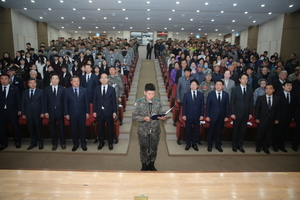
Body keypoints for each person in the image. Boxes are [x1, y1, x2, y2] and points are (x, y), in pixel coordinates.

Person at [132, 83, 166, 171]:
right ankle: (144, 164)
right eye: (149, 94)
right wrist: (143, 118)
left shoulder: (158, 102)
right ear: (144, 92)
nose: (151, 96)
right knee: (143, 147)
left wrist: (163, 117)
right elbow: (134, 116)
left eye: (153, 94)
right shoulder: (139, 102)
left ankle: (151, 163)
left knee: (153, 148)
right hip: (143, 130)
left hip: (155, 130)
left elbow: (163, 113)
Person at [64, 76, 89, 152]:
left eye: (78, 81)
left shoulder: (84, 90)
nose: (76, 82)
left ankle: (83, 144)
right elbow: (65, 103)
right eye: (74, 81)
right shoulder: (67, 91)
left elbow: (86, 103)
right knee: (74, 130)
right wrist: (66, 113)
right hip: (72, 114)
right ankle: (75, 144)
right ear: (71, 82)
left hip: (82, 113)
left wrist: (87, 112)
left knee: (82, 130)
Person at [93, 73, 117, 150]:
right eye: (102, 78)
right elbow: (95, 101)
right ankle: (101, 142)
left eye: (105, 78)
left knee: (110, 128)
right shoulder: (96, 89)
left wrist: (114, 111)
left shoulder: (111, 89)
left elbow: (114, 101)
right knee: (100, 128)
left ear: (108, 79)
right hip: (99, 112)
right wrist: (94, 111)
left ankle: (110, 143)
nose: (103, 79)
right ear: (99, 80)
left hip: (109, 111)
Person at [230, 74, 253, 153]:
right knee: (236, 130)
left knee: (243, 130)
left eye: (246, 79)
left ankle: (240, 145)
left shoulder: (250, 89)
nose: (245, 80)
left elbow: (251, 102)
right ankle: (234, 145)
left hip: (246, 113)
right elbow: (232, 102)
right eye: (243, 78)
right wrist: (232, 113)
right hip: (237, 113)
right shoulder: (235, 89)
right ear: (240, 79)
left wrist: (250, 113)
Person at [254, 84, 280, 154]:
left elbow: (278, 110)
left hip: (272, 119)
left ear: (273, 90)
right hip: (262, 119)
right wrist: (256, 118)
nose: (268, 90)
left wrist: (277, 119)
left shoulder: (277, 98)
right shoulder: (260, 98)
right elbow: (257, 109)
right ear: (265, 90)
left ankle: (266, 147)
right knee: (260, 134)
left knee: (269, 134)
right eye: (267, 88)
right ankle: (258, 146)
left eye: (270, 88)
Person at [206, 80, 229, 153]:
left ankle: (218, 145)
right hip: (212, 116)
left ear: (223, 86)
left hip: (221, 116)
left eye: (220, 85)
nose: (218, 86)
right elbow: (208, 106)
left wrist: (226, 116)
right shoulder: (211, 94)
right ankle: (209, 145)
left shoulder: (226, 94)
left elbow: (227, 106)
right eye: (217, 84)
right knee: (211, 131)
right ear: (215, 86)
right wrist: (207, 116)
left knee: (219, 131)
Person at [21, 78, 45, 150]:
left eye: (34, 83)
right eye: (31, 83)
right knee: (31, 128)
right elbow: (23, 104)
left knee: (39, 128)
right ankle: (33, 142)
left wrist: (42, 112)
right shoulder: (25, 93)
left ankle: (41, 142)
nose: (33, 84)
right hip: (28, 113)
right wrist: (23, 113)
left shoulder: (41, 92)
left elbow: (43, 103)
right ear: (28, 84)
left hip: (38, 113)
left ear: (36, 84)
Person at [0, 74, 22, 150]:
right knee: (2, 128)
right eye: (2, 79)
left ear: (9, 80)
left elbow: (18, 100)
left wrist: (19, 109)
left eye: (6, 78)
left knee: (15, 127)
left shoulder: (15, 88)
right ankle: (3, 143)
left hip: (12, 111)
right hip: (1, 112)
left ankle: (17, 141)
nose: (4, 80)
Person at [44, 74, 66, 151]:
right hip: (51, 112)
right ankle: (54, 143)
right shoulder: (47, 89)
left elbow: (64, 102)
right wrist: (46, 111)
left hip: (60, 112)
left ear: (59, 80)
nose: (55, 80)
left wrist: (65, 112)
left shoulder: (62, 89)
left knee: (61, 129)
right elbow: (45, 101)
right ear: (50, 80)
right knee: (52, 129)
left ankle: (63, 143)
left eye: (56, 79)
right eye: (53, 79)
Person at [182, 79, 204, 151]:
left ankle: (194, 144)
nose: (193, 86)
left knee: (196, 130)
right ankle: (188, 144)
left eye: (195, 85)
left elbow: (202, 106)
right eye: (192, 85)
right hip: (188, 115)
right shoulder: (186, 94)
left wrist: (201, 115)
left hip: (197, 115)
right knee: (188, 130)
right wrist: (184, 115)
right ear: (190, 86)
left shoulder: (201, 95)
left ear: (197, 86)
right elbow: (184, 106)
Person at [273, 81, 295, 152]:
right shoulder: (278, 95)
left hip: (288, 117)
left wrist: (292, 116)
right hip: (279, 117)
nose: (289, 87)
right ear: (283, 87)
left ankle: (282, 146)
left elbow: (293, 108)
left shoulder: (293, 95)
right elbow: (275, 107)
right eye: (287, 85)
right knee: (277, 132)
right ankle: (275, 146)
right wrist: (276, 117)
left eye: (290, 85)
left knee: (284, 133)